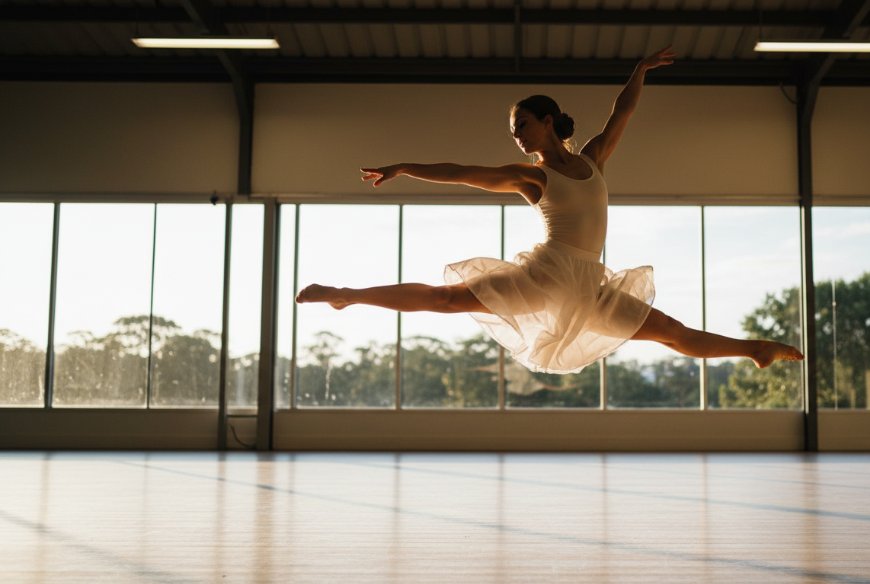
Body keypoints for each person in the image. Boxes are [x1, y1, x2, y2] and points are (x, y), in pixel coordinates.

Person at [297, 46, 804, 374]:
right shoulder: (533, 176)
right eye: (512, 130)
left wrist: (640, 71)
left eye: (521, 125)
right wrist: (404, 166)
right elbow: (463, 171)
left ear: (547, 120)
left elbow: (621, 112)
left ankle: (753, 348)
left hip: (590, 286)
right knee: (447, 300)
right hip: (545, 275)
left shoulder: (592, 159)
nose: (516, 135)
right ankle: (345, 294)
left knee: (672, 333)